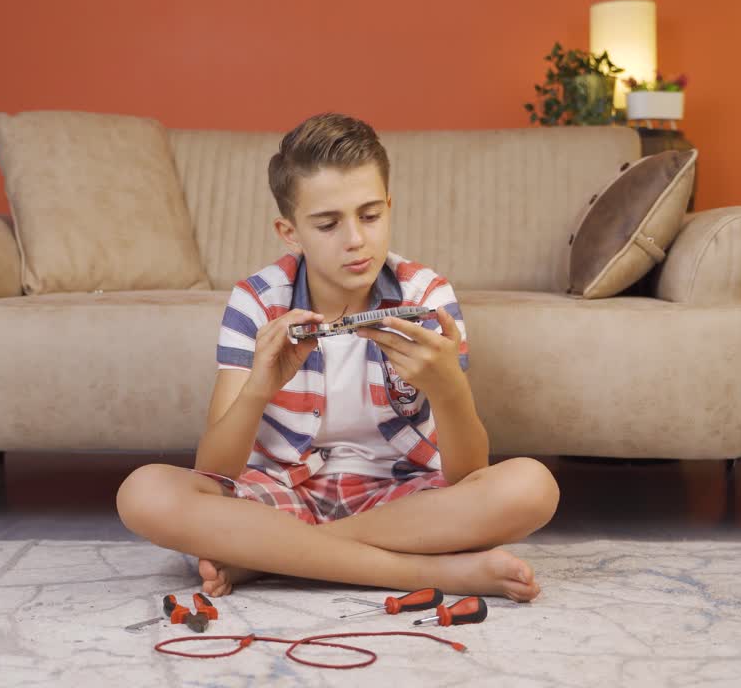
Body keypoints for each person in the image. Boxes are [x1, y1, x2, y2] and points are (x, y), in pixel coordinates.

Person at [117, 113, 559, 600]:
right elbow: (216, 470)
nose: (355, 240)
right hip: (281, 495)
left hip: (401, 500)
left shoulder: (425, 294)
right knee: (144, 492)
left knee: (532, 487)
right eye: (327, 224)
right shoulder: (258, 300)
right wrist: (260, 387)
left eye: (370, 216)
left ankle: (270, 558)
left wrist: (448, 387)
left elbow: (466, 473)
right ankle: (435, 573)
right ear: (290, 232)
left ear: (389, 206)